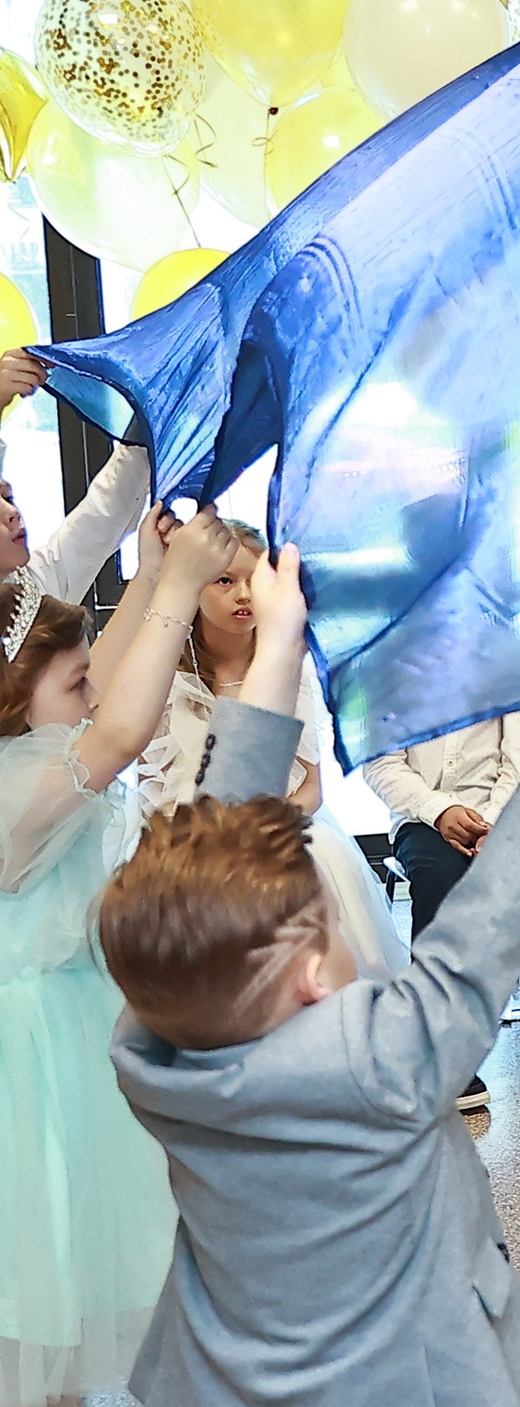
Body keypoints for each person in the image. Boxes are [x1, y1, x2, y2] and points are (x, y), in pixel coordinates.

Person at [101, 588, 520, 1407]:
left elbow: (215, 845)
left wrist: (280, 642)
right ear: (313, 976)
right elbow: (497, 908)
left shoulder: (151, 1046)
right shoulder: (385, 1059)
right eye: (331, 927)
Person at [0, 510, 241, 1407]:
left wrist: (145, 575)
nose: (93, 695)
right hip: (30, 1061)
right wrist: (180, 590)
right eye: (74, 687)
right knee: (43, 1268)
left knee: (74, 1271)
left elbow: (98, 681)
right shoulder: (21, 782)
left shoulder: (29, 741)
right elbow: (122, 729)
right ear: (21, 700)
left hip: (66, 1022)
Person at [135, 518, 405, 980]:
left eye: (252, 581)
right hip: (187, 838)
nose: (243, 595)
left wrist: (257, 836)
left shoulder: (286, 666)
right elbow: (150, 789)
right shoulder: (166, 673)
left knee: (310, 860)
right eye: (225, 580)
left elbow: (311, 789)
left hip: (277, 827)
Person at [362, 713, 520, 1112]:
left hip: (507, 808)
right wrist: (440, 811)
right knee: (435, 875)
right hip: (423, 819)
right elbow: (381, 764)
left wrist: (495, 824)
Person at [0, 348, 153, 603]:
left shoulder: (36, 590)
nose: (13, 513)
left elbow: (105, 511)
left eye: (9, 498)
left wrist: (159, 406)